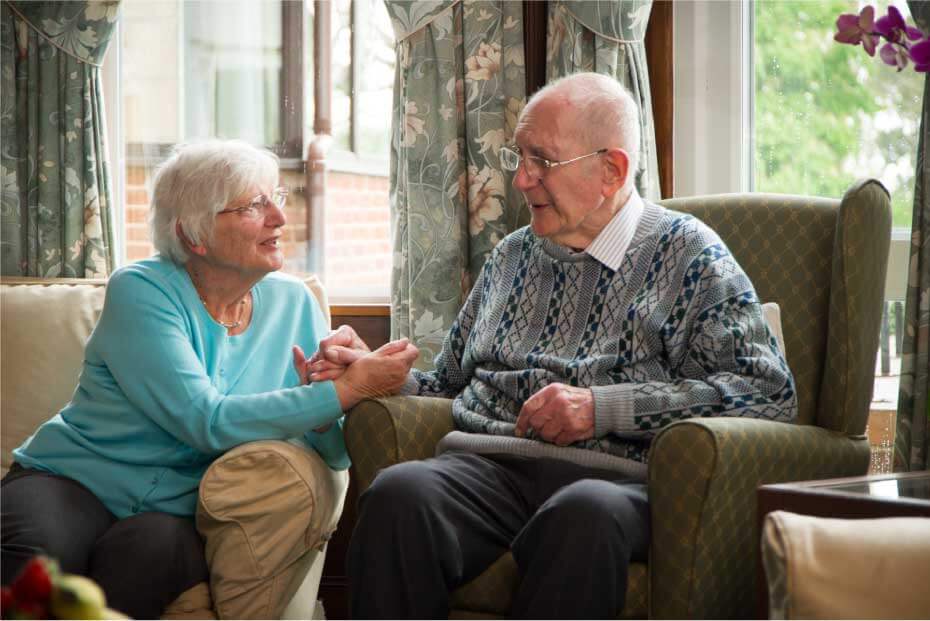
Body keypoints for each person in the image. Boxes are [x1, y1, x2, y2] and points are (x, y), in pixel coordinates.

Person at [314, 73, 798, 619]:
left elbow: (768, 390)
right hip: (489, 470)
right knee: (398, 496)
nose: (521, 180)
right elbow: (448, 383)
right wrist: (376, 372)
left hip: (617, 481)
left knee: (581, 514)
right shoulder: (512, 256)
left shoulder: (689, 255)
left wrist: (601, 409)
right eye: (519, 157)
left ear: (611, 170)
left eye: (542, 160)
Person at [0, 140, 418, 619]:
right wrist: (345, 390)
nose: (279, 218)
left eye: (275, 199)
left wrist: (322, 409)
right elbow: (206, 420)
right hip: (72, 479)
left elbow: (334, 456)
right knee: (40, 556)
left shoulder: (295, 304)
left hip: (179, 508)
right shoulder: (141, 291)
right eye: (254, 206)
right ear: (193, 236)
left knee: (144, 558)